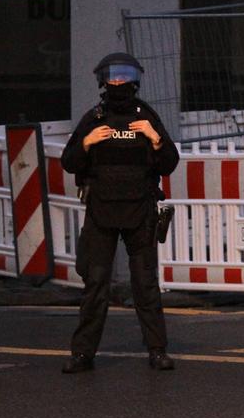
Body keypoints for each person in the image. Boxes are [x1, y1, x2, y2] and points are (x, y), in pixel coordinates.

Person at [60, 52, 179, 373]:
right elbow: (69, 162)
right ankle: (83, 354)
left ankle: (157, 351)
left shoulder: (146, 115)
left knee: (145, 283)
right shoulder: (95, 117)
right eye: (113, 78)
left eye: (124, 77)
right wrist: (86, 142)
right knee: (95, 283)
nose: (118, 83)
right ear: (103, 82)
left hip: (139, 209)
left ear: (134, 80)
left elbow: (169, 162)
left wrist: (155, 140)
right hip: (101, 210)